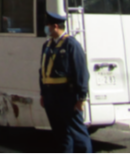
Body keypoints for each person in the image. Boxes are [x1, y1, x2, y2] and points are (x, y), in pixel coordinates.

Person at [39, 11, 92, 154]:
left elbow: (81, 73)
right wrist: (43, 94)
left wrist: (81, 98)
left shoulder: (71, 44)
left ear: (55, 26)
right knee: (62, 135)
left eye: (47, 25)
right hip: (51, 97)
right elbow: (42, 71)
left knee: (79, 135)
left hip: (67, 97)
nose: (46, 28)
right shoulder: (47, 46)